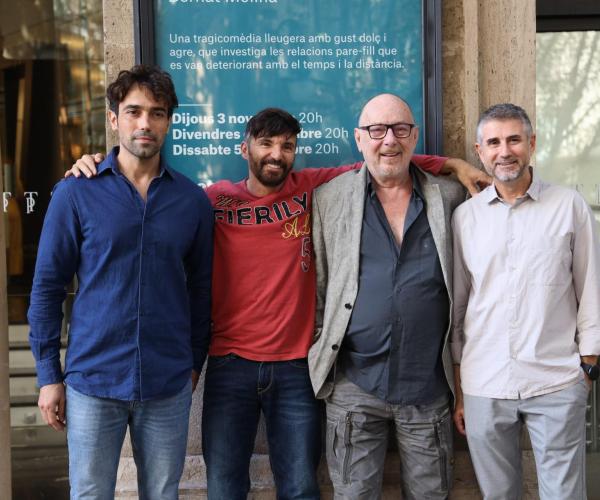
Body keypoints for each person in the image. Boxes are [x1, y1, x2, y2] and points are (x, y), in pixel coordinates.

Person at [69, 107, 489, 499]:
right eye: (266, 144)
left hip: (295, 368)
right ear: (245, 148)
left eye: (287, 146)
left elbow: (382, 162)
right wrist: (97, 166)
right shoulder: (212, 200)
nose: (276, 154)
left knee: (300, 487)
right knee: (225, 486)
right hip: (229, 364)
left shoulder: (312, 189)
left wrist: (453, 165)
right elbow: (154, 196)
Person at [28, 65, 214, 499]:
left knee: (162, 494)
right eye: (133, 111)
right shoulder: (76, 192)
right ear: (114, 119)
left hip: (167, 382)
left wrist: (193, 362)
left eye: (157, 113)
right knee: (90, 494)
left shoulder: (192, 202)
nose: (144, 123)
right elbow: (47, 288)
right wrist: (48, 375)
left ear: (169, 122)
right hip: (92, 380)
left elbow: (202, 289)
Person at [450, 103, 600, 499]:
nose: (504, 151)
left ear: (532, 143)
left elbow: (590, 290)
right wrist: (460, 388)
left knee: (563, 495)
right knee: (498, 495)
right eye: (494, 142)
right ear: (479, 150)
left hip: (555, 380)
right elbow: (459, 307)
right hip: (485, 383)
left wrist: (587, 368)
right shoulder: (465, 218)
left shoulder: (569, 206)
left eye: (514, 140)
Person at [308, 93, 465, 499]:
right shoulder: (329, 199)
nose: (389, 140)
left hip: (428, 384)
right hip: (354, 384)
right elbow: (321, 286)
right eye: (377, 130)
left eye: (399, 129)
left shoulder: (450, 198)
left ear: (414, 136)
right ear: (359, 138)